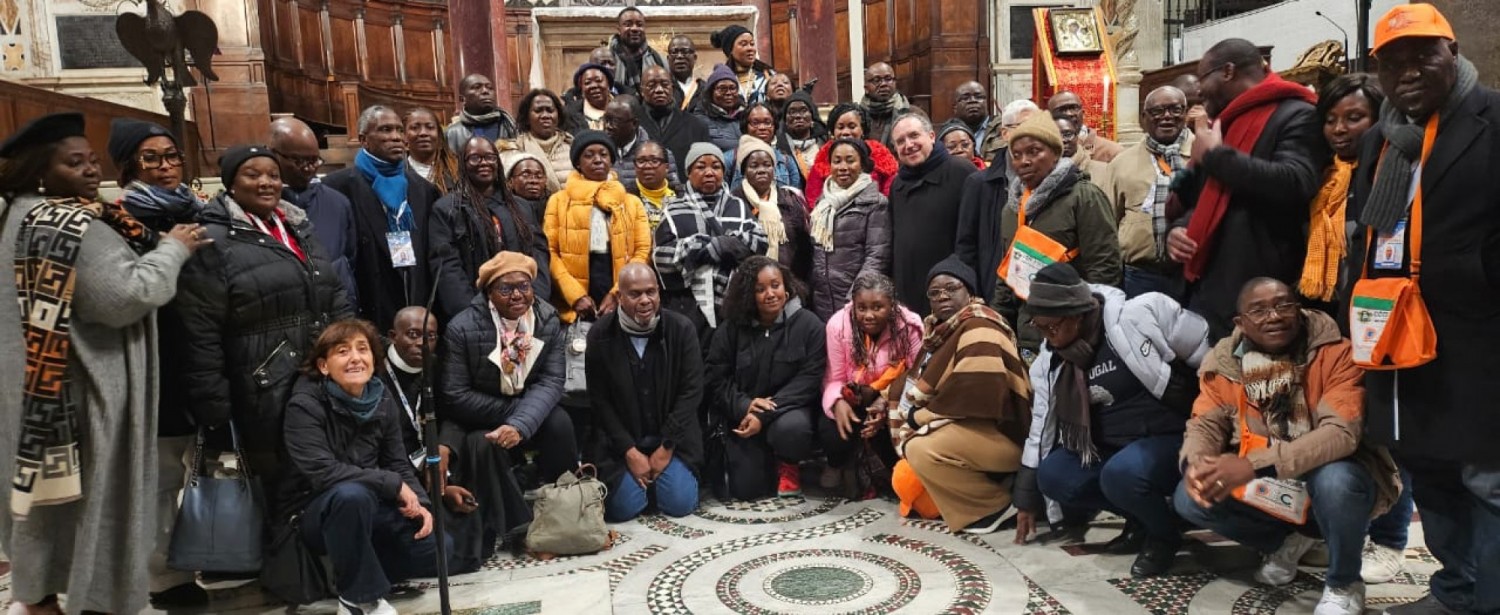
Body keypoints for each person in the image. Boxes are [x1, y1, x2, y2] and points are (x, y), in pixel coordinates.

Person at [0, 112, 208, 615]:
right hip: (90, 392)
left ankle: (41, 598)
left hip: (41, 393)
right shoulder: (68, 223)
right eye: (74, 163)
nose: (92, 171)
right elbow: (128, 294)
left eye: (93, 160)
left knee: (50, 513)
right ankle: (98, 601)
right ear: (40, 173)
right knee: (104, 505)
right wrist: (173, 250)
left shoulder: (22, 216)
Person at [1351, 6, 1500, 613]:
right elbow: (1366, 234)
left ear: (1453, 51)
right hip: (1394, 337)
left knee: (1486, 481)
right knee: (1429, 470)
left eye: (1422, 56)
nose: (1407, 71)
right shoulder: (1379, 139)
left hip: (1477, 336)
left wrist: (1471, 272)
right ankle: (1457, 590)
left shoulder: (1493, 119)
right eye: (1392, 62)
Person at [1174, 278, 1400, 615]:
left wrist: (1253, 464)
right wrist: (1197, 464)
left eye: (1283, 305)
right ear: (1241, 323)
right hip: (1271, 480)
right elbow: (1205, 422)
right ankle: (1286, 543)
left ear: (1299, 308)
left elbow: (1341, 433)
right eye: (1259, 310)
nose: (1274, 316)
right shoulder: (1225, 362)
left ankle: (1344, 583)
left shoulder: (1337, 353)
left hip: (1332, 474)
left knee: (1336, 481)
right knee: (1190, 497)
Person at [1014, 263, 1209, 578]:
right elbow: (1040, 429)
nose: (1047, 337)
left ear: (1076, 313)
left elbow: (1207, 350)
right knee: (1055, 474)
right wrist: (1026, 497)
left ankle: (1164, 536)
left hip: (1172, 437)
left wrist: (1217, 421)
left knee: (1121, 473)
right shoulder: (1052, 360)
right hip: (1109, 447)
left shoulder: (1139, 315)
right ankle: (1144, 520)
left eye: (1052, 327)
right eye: (1039, 327)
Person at [177, 143, 352, 480]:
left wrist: (349, 349)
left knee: (322, 478)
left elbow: (333, 291)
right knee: (277, 491)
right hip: (263, 391)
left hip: (316, 378)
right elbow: (200, 332)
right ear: (230, 183)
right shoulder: (212, 239)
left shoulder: (299, 227)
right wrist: (214, 407)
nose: (266, 183)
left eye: (273, 175)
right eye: (252, 174)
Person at [107, 117, 212, 608]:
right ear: (129, 166)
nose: (166, 167)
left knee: (202, 466)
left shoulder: (196, 207)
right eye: (152, 159)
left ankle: (206, 551)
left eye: (172, 156)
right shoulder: (121, 218)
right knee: (161, 474)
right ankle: (162, 575)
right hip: (159, 356)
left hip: (202, 351)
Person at [279, 319, 448, 615]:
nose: (355, 358)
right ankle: (359, 598)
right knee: (351, 496)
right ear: (323, 366)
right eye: (342, 352)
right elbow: (323, 472)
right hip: (315, 510)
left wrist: (421, 504)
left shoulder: (381, 397)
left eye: (363, 349)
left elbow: (398, 462)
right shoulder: (305, 404)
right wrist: (390, 484)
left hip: (372, 504)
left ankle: (348, 570)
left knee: (436, 547)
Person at [1165, 38, 1328, 342]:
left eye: (1203, 78)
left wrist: (1215, 156)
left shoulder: (1296, 113)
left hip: (1260, 292)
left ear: (1227, 71)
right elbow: (1201, 200)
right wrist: (1178, 230)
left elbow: (1296, 181)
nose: (1199, 91)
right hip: (1207, 285)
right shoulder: (1224, 124)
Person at [894, 256, 1032, 534]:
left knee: (921, 448)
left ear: (969, 291)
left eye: (951, 288)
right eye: (934, 292)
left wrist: (918, 416)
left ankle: (993, 506)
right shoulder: (941, 332)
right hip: (975, 432)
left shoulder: (980, 325)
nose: (943, 296)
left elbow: (976, 394)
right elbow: (918, 381)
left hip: (1009, 436)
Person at [439, 252, 577, 486]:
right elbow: (456, 395)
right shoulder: (461, 328)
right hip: (482, 413)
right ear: (489, 294)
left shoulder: (547, 319)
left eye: (524, 286)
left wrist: (520, 424)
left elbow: (551, 380)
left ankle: (563, 495)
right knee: (482, 443)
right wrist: (515, 416)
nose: (517, 296)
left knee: (559, 423)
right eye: (505, 289)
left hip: (530, 408)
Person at [990, 112, 1121, 357]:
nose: (1024, 161)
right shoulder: (1011, 209)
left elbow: (1105, 268)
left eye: (1034, 151)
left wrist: (1090, 328)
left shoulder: (1083, 197)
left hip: (1073, 329)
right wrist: (996, 321)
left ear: (1055, 153)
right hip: (1028, 333)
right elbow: (1008, 273)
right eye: (1016, 155)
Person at [586, 263, 705, 521]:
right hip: (622, 444)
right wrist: (629, 452)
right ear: (619, 298)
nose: (645, 300)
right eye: (635, 294)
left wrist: (666, 448)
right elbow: (599, 400)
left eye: (651, 292)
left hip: (673, 441)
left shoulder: (682, 329)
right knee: (622, 509)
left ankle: (661, 481)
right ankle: (644, 483)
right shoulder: (599, 335)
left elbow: (692, 391)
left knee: (679, 504)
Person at [707, 255, 825, 499]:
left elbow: (809, 380)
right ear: (748, 294)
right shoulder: (731, 329)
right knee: (746, 490)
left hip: (788, 413)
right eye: (760, 289)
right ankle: (764, 461)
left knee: (793, 430)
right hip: (744, 415)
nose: (770, 294)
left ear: (787, 286)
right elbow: (716, 378)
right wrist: (744, 405)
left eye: (775, 285)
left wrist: (765, 413)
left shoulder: (810, 325)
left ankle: (788, 463)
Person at [325, 105, 441, 330]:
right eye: (386, 130)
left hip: (414, 295)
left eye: (399, 130)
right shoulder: (338, 188)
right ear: (363, 139)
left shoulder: (423, 189)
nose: (396, 137)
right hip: (367, 302)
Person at [653, 144, 769, 340]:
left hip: (733, 303)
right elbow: (661, 256)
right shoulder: (673, 209)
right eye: (700, 167)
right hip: (686, 305)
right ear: (688, 173)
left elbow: (759, 243)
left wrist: (715, 246)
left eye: (715, 167)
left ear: (724, 172)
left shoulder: (738, 206)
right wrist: (715, 247)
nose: (709, 172)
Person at [820, 272, 921, 497]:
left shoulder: (910, 326)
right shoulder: (837, 326)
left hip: (894, 398)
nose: (868, 315)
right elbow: (834, 377)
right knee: (833, 431)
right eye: (861, 308)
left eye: (878, 307)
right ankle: (842, 463)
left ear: (892, 306)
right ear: (853, 306)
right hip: (853, 396)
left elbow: (916, 377)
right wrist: (837, 402)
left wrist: (884, 403)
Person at [429, 136, 550, 322]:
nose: (484, 163)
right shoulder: (447, 209)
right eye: (475, 158)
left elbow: (538, 254)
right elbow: (448, 267)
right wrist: (471, 313)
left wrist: (535, 300)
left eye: (490, 157)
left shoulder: (521, 207)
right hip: (475, 313)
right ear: (463, 163)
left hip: (525, 310)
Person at [543, 130, 653, 324]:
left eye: (603, 154)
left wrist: (618, 293)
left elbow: (642, 250)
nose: (597, 160)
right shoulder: (558, 201)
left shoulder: (631, 202)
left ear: (611, 160)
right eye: (589, 155)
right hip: (575, 299)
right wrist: (575, 295)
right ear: (578, 163)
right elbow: (550, 251)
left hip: (620, 292)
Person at [1096, 86, 1192, 300]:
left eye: (1175, 110)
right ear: (1144, 117)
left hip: (1195, 272)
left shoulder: (1204, 153)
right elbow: (1108, 220)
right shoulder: (1122, 162)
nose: (1167, 117)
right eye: (1157, 111)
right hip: (1141, 274)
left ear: (1186, 112)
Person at [1298, 74, 1381, 310]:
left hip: (1371, 304)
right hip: (1323, 308)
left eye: (1354, 118)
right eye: (1330, 120)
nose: (1339, 129)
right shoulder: (1319, 176)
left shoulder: (1385, 175)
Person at [888, 113, 976, 316]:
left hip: (950, 294)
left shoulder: (962, 172)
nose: (908, 145)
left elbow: (973, 237)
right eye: (900, 141)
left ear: (931, 136)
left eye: (914, 136)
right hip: (908, 294)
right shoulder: (897, 185)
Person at [955, 103, 1039, 305]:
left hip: (1039, 289)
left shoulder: (1051, 178)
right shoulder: (980, 184)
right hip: (993, 287)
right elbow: (966, 246)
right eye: (1025, 126)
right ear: (1005, 134)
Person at [271, 117, 359, 302]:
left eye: (314, 160)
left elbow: (350, 258)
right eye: (299, 160)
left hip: (335, 305)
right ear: (273, 154)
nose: (309, 168)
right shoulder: (260, 204)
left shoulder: (338, 202)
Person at [808, 138, 891, 320]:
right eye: (837, 161)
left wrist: (855, 298)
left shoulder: (876, 203)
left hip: (856, 303)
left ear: (862, 164)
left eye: (850, 160)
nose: (843, 167)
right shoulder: (823, 203)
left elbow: (876, 257)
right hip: (821, 302)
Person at [731, 134, 812, 284]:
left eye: (767, 165)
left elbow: (803, 249)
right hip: (748, 285)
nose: (761, 170)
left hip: (787, 283)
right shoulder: (733, 203)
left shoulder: (790, 200)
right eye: (754, 166)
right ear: (743, 171)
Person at [377, 306, 438, 469]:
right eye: (413, 335)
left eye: (430, 336)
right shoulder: (375, 369)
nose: (421, 343)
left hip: (428, 459)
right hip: (387, 463)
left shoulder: (437, 367)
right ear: (393, 336)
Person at [804, 103, 898, 206]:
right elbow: (813, 198)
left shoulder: (879, 154)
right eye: (840, 127)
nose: (846, 132)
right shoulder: (823, 157)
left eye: (852, 127)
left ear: (862, 129)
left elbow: (890, 190)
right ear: (833, 131)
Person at [637, 65, 713, 182]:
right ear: (642, 90)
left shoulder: (696, 126)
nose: (659, 90)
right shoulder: (632, 123)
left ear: (672, 88)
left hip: (685, 195)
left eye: (665, 84)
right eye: (652, 85)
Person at [506, 88, 574, 194]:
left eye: (550, 110)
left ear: (559, 116)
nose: (545, 116)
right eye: (538, 111)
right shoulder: (513, 150)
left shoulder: (573, 147)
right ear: (527, 117)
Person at [727, 102, 802, 190]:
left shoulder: (786, 161)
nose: (762, 127)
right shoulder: (730, 159)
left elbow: (795, 196)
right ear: (745, 126)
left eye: (767, 122)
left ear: (774, 126)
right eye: (755, 123)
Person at [608, 97, 679, 189]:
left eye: (615, 121)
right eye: (605, 119)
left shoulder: (661, 155)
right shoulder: (600, 153)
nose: (608, 126)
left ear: (634, 123)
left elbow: (674, 192)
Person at [446, 73, 518, 153]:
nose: (485, 91)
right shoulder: (453, 133)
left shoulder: (509, 126)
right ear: (463, 99)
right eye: (477, 87)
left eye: (490, 88)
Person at [1048, 90, 1123, 164]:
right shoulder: (1043, 152)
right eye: (1061, 110)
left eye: (1073, 108)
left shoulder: (1111, 152)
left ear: (1083, 112)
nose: (1069, 114)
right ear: (1049, 116)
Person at [710, 24, 773, 106]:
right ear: (730, 50)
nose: (750, 48)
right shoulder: (719, 81)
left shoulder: (769, 77)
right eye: (743, 44)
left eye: (752, 44)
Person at [623, 140, 680, 229]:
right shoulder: (624, 198)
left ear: (667, 167)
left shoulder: (680, 197)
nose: (648, 166)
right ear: (635, 166)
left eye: (654, 161)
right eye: (641, 161)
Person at [609, 7, 665, 95]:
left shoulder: (658, 60)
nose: (634, 29)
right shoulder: (607, 58)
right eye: (628, 24)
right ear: (619, 29)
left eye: (639, 25)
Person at [406, 107, 460, 193]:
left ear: (439, 136)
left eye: (430, 127)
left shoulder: (456, 172)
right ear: (404, 136)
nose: (423, 133)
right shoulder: (396, 173)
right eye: (415, 128)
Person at [693, 64, 745, 153]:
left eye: (733, 88)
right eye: (722, 88)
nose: (728, 93)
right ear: (711, 92)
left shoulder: (746, 116)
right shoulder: (699, 121)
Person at [776, 90, 827, 180]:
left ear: (812, 116)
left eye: (803, 110)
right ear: (785, 120)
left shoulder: (825, 145)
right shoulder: (777, 148)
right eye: (792, 112)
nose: (798, 116)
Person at [951, 81, 1005, 162]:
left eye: (979, 97)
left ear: (987, 102)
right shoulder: (948, 134)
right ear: (955, 107)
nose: (973, 101)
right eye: (965, 98)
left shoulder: (1003, 127)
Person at [863, 62, 911, 148]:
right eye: (876, 80)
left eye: (888, 79)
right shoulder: (859, 116)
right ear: (866, 88)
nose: (884, 84)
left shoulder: (912, 114)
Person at [564, 63, 616, 134]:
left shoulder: (624, 108)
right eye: (587, 83)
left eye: (599, 80)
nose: (594, 86)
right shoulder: (569, 114)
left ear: (608, 84)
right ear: (581, 88)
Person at [502, 150, 551, 221]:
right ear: (510, 182)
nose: (533, 181)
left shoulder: (556, 206)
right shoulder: (501, 210)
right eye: (525, 175)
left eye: (539, 176)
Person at [667, 35, 704, 111]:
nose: (680, 56)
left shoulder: (705, 89)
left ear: (695, 57)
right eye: (674, 52)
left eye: (685, 51)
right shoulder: (662, 88)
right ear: (668, 58)